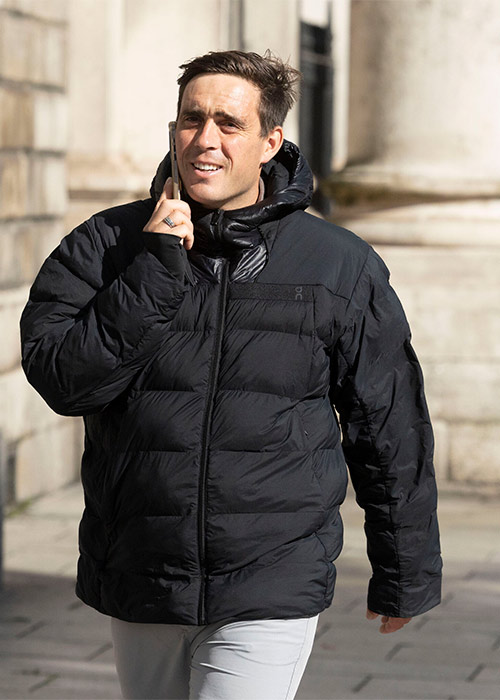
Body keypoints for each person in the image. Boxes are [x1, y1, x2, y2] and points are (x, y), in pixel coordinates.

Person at [20, 50, 442, 700]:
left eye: (229, 123)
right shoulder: (106, 245)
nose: (205, 140)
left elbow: (388, 425)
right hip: (142, 568)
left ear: (270, 142)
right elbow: (64, 381)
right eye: (192, 119)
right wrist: (155, 268)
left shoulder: (338, 265)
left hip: (272, 575)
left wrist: (404, 569)